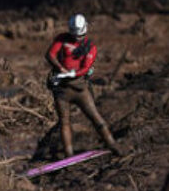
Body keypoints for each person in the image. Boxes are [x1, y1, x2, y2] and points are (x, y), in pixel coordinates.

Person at [45, 14, 122, 158]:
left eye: (80, 36)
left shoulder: (90, 48)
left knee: (95, 117)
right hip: (62, 89)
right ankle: (69, 155)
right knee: (64, 122)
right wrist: (60, 68)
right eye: (75, 36)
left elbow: (86, 68)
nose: (77, 39)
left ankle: (113, 145)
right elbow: (50, 54)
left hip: (80, 89)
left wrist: (73, 74)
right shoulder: (62, 39)